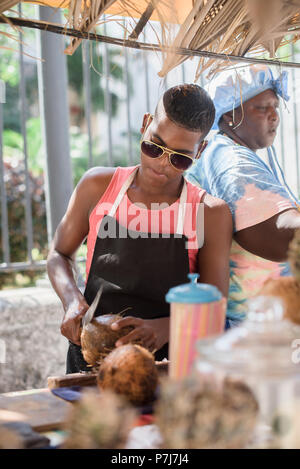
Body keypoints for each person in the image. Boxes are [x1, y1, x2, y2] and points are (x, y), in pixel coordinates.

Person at [47, 84, 233, 373]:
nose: (161, 163)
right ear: (145, 124)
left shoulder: (210, 213)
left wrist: (164, 328)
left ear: (201, 150)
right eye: (154, 146)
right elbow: (59, 253)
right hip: (92, 357)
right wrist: (71, 301)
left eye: (179, 158)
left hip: (168, 364)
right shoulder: (97, 187)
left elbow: (214, 306)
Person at [186, 65, 300, 324]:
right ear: (229, 115)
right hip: (252, 332)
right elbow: (273, 234)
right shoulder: (231, 160)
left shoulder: (225, 152)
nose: (274, 116)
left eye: (276, 107)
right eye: (262, 108)